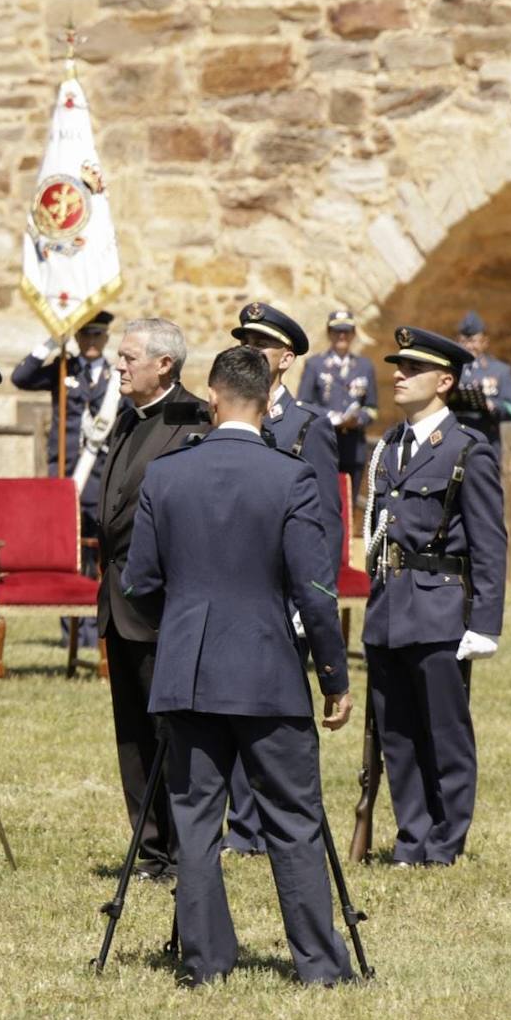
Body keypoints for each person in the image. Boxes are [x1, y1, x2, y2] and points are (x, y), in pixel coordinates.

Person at [124, 344, 355, 987]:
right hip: (267, 667)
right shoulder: (290, 476)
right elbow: (314, 589)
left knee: (196, 823)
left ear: (215, 398)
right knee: (294, 819)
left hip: (188, 669)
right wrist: (333, 677)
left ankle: (205, 964)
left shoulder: (167, 475)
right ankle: (317, 966)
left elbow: (139, 580)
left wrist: (186, 619)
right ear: (264, 403)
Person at [363, 326, 507, 867]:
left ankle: (445, 841)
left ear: (444, 381)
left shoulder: (468, 450)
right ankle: (412, 837)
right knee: (396, 730)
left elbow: (491, 542)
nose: (398, 375)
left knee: (444, 731)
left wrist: (486, 623)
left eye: (412, 369)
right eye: (398, 366)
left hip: (441, 605)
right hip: (390, 605)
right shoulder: (391, 444)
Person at [226, 301, 342, 856]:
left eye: (260, 344)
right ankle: (240, 827)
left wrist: (311, 597)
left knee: (276, 713)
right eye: (242, 340)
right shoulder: (226, 416)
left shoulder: (306, 427)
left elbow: (325, 521)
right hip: (232, 588)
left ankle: (273, 824)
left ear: (286, 358)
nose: (247, 350)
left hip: (282, 590)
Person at [96, 318, 209, 882]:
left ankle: (186, 850)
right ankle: (152, 848)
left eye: (129, 357)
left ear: (164, 364)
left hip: (164, 607)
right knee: (132, 735)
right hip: (120, 600)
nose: (119, 365)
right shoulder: (127, 417)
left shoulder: (193, 421)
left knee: (172, 733)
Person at [10, 310, 117, 648]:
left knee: (99, 556)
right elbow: (20, 378)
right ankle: (71, 633)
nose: (91, 342)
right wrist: (51, 342)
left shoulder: (117, 380)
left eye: (97, 335)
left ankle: (95, 630)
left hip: (100, 479)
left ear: (106, 339)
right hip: (67, 476)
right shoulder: (63, 370)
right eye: (85, 335)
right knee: (68, 555)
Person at [297, 309, 379, 499]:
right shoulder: (315, 365)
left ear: (353, 334)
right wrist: (331, 418)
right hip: (324, 444)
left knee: (349, 502)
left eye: (347, 331)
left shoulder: (364, 366)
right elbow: (303, 404)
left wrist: (357, 419)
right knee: (324, 501)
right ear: (329, 333)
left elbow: (372, 408)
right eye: (337, 331)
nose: (342, 336)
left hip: (353, 447)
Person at [451, 311, 511, 450]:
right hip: (454, 439)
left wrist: (492, 405)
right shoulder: (450, 369)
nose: (469, 347)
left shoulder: (500, 371)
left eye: (473, 341)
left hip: (486, 441)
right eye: (463, 341)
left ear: (484, 342)